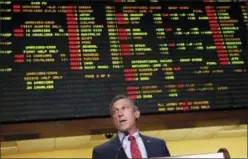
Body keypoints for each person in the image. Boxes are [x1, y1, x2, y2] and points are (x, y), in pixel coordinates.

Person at [92, 94, 170, 159]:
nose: (120, 114)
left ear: (136, 113)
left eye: (124, 108)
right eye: (115, 111)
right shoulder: (101, 152)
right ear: (113, 119)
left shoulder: (159, 145)